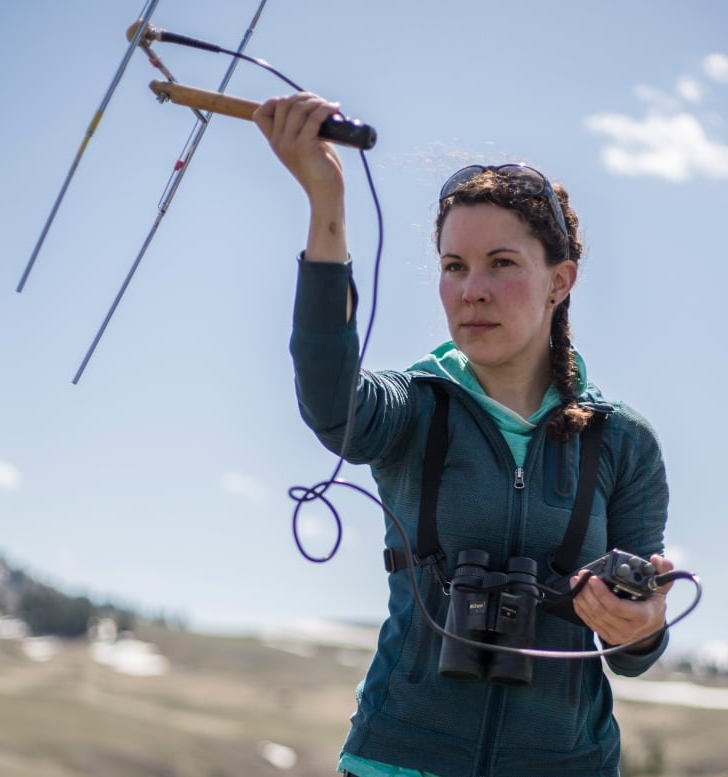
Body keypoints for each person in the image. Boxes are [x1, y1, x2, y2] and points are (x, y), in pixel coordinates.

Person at [253, 93, 673, 777]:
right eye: (454, 266)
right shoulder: (413, 407)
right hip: (400, 759)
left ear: (559, 282)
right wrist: (325, 202)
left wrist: (643, 623)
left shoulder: (624, 441)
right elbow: (331, 402)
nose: (471, 289)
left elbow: (633, 651)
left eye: (502, 263)